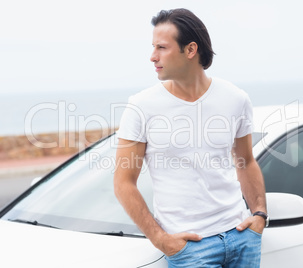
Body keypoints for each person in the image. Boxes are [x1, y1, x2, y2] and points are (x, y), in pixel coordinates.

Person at [114, 8, 267, 268]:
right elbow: (123, 182)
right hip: (190, 249)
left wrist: (260, 214)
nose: (153, 57)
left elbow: (246, 161)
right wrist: (162, 240)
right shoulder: (141, 106)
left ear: (190, 49)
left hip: (241, 236)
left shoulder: (235, 98)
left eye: (161, 47)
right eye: (153, 47)